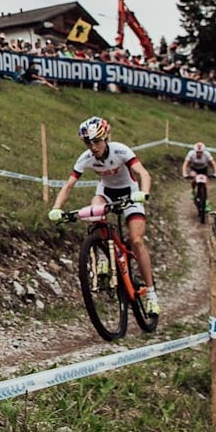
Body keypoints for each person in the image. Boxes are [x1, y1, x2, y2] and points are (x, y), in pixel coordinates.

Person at [48, 116, 160, 316]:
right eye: (88, 143)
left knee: (136, 240)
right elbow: (68, 185)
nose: (93, 147)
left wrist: (143, 192)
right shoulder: (85, 158)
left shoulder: (121, 150)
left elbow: (144, 173)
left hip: (130, 192)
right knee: (95, 206)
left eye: (97, 141)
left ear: (105, 137)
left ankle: (151, 295)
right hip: (106, 192)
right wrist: (56, 207)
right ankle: (103, 254)